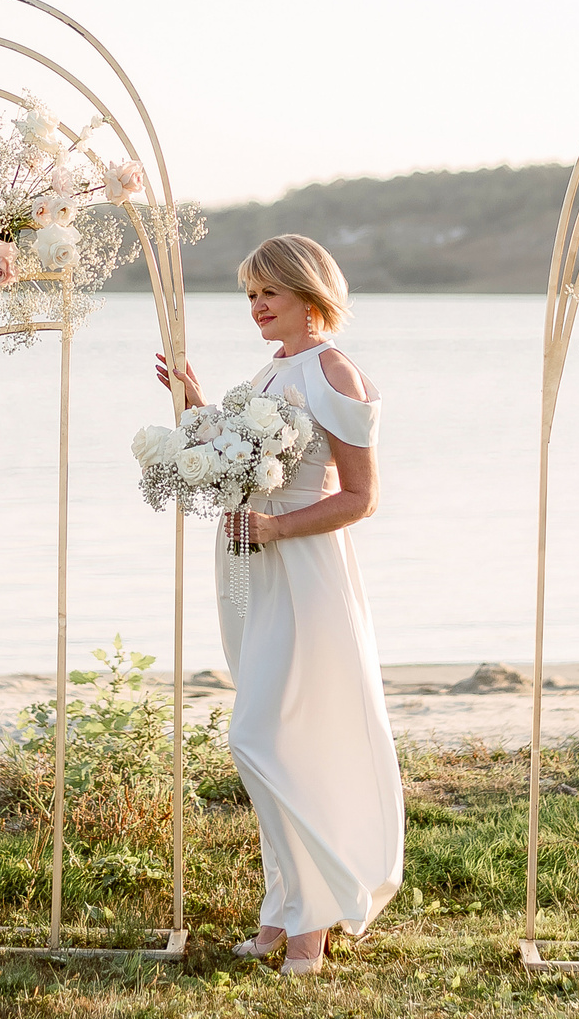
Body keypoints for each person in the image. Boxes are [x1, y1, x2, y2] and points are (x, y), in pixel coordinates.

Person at [155, 233, 403, 975]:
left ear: (308, 293)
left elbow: (361, 497)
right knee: (273, 736)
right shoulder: (271, 371)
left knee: (262, 736)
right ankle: (280, 908)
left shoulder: (334, 370)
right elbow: (244, 462)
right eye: (250, 294)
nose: (258, 305)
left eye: (270, 291)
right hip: (250, 570)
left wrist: (275, 526)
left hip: (302, 570)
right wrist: (196, 408)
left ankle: (314, 921)